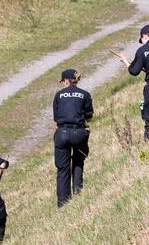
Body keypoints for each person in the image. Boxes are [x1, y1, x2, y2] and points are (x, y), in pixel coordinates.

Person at [52, 68, 93, 207]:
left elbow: (56, 117)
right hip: (79, 133)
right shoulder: (85, 94)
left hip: (62, 133)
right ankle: (78, 192)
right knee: (78, 162)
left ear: (66, 81)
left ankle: (63, 203)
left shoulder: (58, 95)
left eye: (63, 81)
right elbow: (89, 115)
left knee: (63, 169)